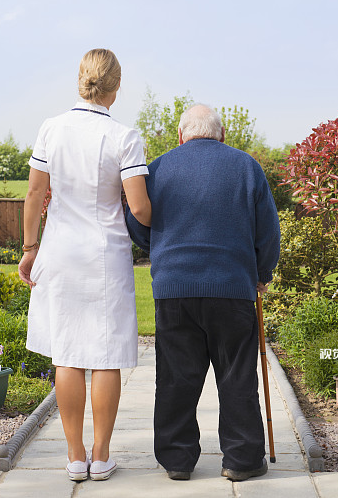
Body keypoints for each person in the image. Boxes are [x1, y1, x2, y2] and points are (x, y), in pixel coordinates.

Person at [125, 104, 280, 482]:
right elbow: (268, 231)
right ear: (222, 134)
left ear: (181, 135)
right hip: (232, 287)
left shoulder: (158, 168)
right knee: (237, 375)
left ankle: (177, 460)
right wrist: (262, 273)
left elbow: (136, 218)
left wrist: (159, 250)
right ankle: (241, 460)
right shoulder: (247, 167)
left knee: (177, 377)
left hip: (174, 289)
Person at [19, 48, 151, 482]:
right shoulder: (124, 137)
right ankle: (101, 454)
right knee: (105, 354)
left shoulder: (50, 129)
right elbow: (140, 207)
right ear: (116, 87)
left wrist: (29, 247)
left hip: (58, 251)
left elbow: (35, 194)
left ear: (81, 81)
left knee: (68, 353)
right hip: (105, 256)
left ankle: (75, 456)